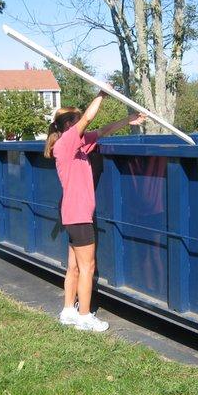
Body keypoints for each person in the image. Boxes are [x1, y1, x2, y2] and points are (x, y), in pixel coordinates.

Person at [43, 89, 146, 332]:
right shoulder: (66, 143)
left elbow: (102, 130)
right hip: (78, 215)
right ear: (69, 124)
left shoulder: (76, 145)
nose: (81, 122)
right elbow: (89, 118)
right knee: (88, 267)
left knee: (75, 266)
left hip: (73, 214)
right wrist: (101, 94)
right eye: (76, 120)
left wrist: (128, 120)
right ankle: (84, 316)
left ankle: (68, 311)